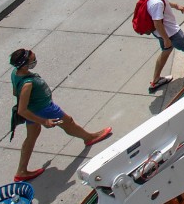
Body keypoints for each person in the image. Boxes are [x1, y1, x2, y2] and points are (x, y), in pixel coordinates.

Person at [8, 48, 109, 182]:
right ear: (24, 64)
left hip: (36, 109)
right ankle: (89, 137)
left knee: (31, 138)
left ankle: (21, 171)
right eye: (33, 61)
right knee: (69, 122)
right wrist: (44, 121)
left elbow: (15, 92)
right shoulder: (27, 84)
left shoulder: (15, 73)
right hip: (46, 110)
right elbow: (22, 110)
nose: (35, 62)